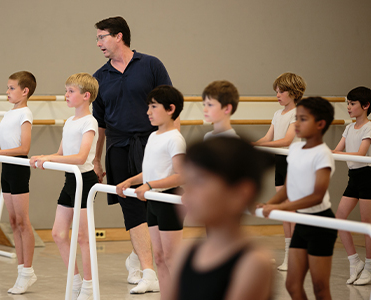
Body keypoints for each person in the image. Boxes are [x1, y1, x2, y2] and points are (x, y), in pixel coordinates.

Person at [92, 16, 172, 288]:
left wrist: (173, 144)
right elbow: (99, 123)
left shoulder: (150, 64)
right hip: (118, 147)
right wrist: (96, 158)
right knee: (132, 208)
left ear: (119, 36)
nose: (99, 43)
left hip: (152, 145)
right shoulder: (100, 77)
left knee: (156, 206)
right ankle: (150, 273)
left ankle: (137, 258)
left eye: (102, 36)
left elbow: (171, 104)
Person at [165, 137, 274, 300]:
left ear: (240, 194)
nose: (188, 192)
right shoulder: (185, 252)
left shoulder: (254, 263)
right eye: (188, 182)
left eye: (199, 181)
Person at [259, 97, 337, 300]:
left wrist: (283, 207)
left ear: (320, 124)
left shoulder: (323, 154)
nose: (296, 124)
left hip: (320, 222)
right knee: (292, 285)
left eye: (302, 119)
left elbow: (317, 196)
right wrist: (270, 204)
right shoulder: (294, 149)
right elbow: (288, 187)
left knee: (320, 288)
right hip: (302, 222)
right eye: (296, 119)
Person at [30, 73, 99, 300]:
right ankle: (76, 279)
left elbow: (80, 157)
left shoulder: (90, 122)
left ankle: (89, 287)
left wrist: (50, 160)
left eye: (71, 91)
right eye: (66, 90)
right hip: (70, 180)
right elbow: (61, 154)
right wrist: (43, 157)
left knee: (82, 237)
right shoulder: (70, 122)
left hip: (85, 180)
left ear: (86, 96)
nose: (66, 95)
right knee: (58, 234)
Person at [116, 85, 185, 295]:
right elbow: (150, 173)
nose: (148, 112)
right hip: (154, 201)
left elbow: (181, 176)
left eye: (153, 107)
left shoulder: (175, 139)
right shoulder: (154, 136)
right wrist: (130, 181)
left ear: (171, 108)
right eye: (148, 107)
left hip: (169, 201)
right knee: (159, 257)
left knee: (172, 259)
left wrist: (151, 185)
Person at [0, 71, 36, 294]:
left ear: (25, 91)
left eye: (11, 88)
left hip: (18, 167)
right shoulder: (10, 112)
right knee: (13, 221)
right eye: (8, 87)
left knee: (22, 221)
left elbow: (24, 149)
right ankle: (22, 270)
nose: (7, 92)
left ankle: (27, 271)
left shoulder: (25, 114)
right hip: (6, 167)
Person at [253, 72, 306, 271]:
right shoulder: (278, 114)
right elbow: (268, 137)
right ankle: (288, 255)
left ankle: (296, 256)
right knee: (284, 210)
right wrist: (252, 145)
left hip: (294, 161)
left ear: (293, 92)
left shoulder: (299, 112)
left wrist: (262, 147)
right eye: (276, 91)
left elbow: (287, 140)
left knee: (292, 209)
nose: (277, 95)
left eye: (281, 91)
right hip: (280, 161)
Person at [332, 86, 371, 285]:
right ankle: (354, 261)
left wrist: (336, 154)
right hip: (353, 177)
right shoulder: (349, 127)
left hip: (368, 177)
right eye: (347, 103)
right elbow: (337, 150)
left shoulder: (369, 127)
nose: (348, 107)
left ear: (366, 106)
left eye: (352, 103)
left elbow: (360, 155)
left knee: (367, 225)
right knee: (339, 218)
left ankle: (370, 266)